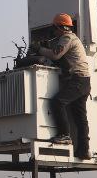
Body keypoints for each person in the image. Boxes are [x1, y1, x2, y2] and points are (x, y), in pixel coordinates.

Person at [36, 12, 92, 159]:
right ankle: (84, 151)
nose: (53, 32)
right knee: (80, 118)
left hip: (78, 80)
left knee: (57, 102)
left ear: (60, 27)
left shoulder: (67, 38)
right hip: (84, 82)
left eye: (54, 28)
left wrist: (39, 49)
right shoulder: (72, 38)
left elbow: (55, 55)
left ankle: (65, 135)